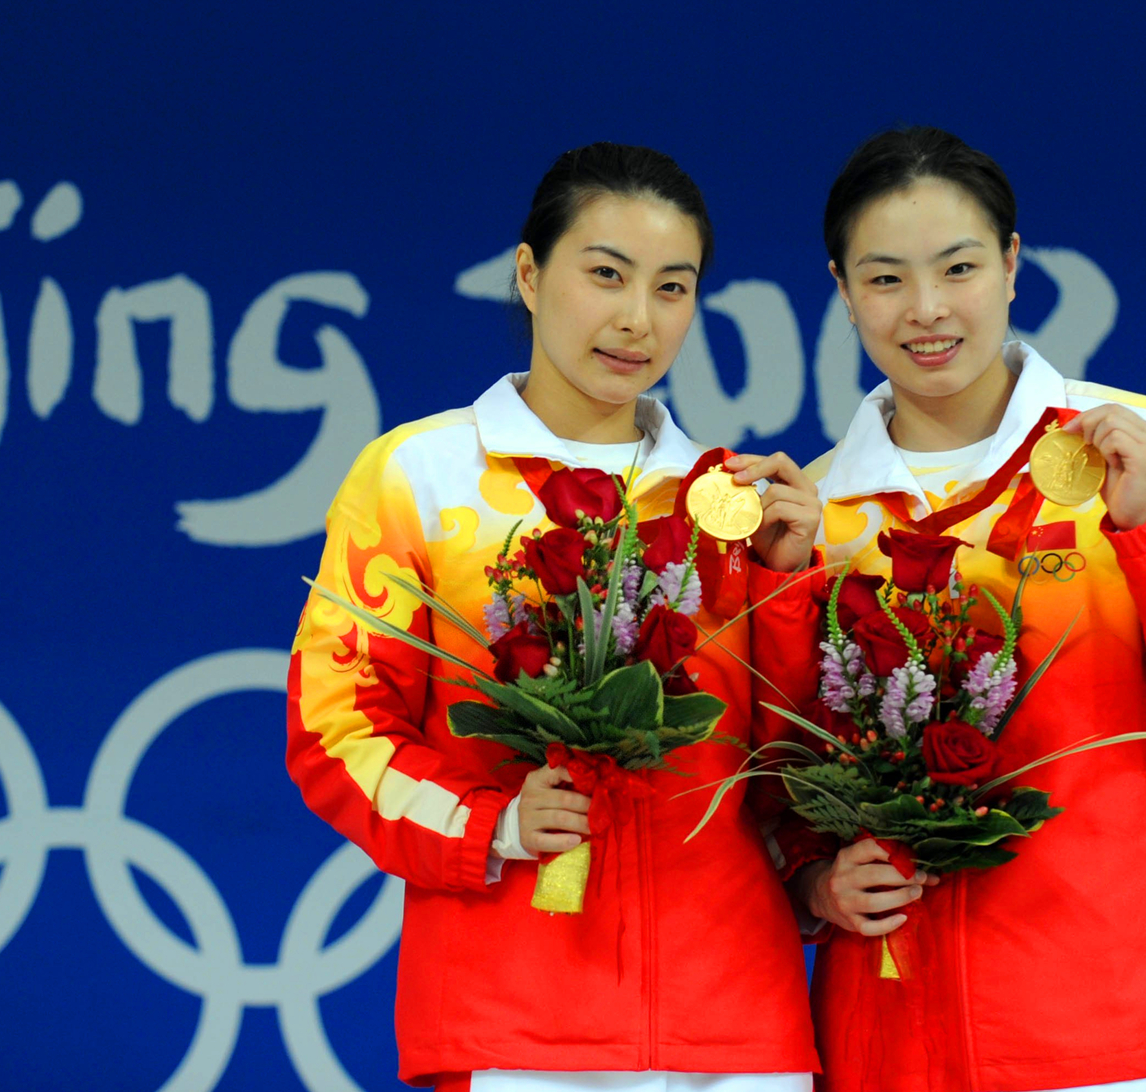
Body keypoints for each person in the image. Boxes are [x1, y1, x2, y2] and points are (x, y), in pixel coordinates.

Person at [287, 143, 826, 1091]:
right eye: (606, 274)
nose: (635, 319)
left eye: (672, 287)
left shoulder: (730, 504)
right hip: (515, 1028)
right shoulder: (418, 477)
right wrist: (492, 824)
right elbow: (337, 730)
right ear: (530, 275)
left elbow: (786, 759)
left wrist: (791, 581)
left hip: (738, 1027)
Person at [786, 126, 1146, 1092]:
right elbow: (781, 775)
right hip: (888, 1035)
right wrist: (817, 882)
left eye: (960, 267)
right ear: (842, 289)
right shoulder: (818, 515)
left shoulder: (1136, 452)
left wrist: (1143, 529)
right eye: (887, 278)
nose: (929, 310)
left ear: (1015, 266)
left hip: (1109, 1028)